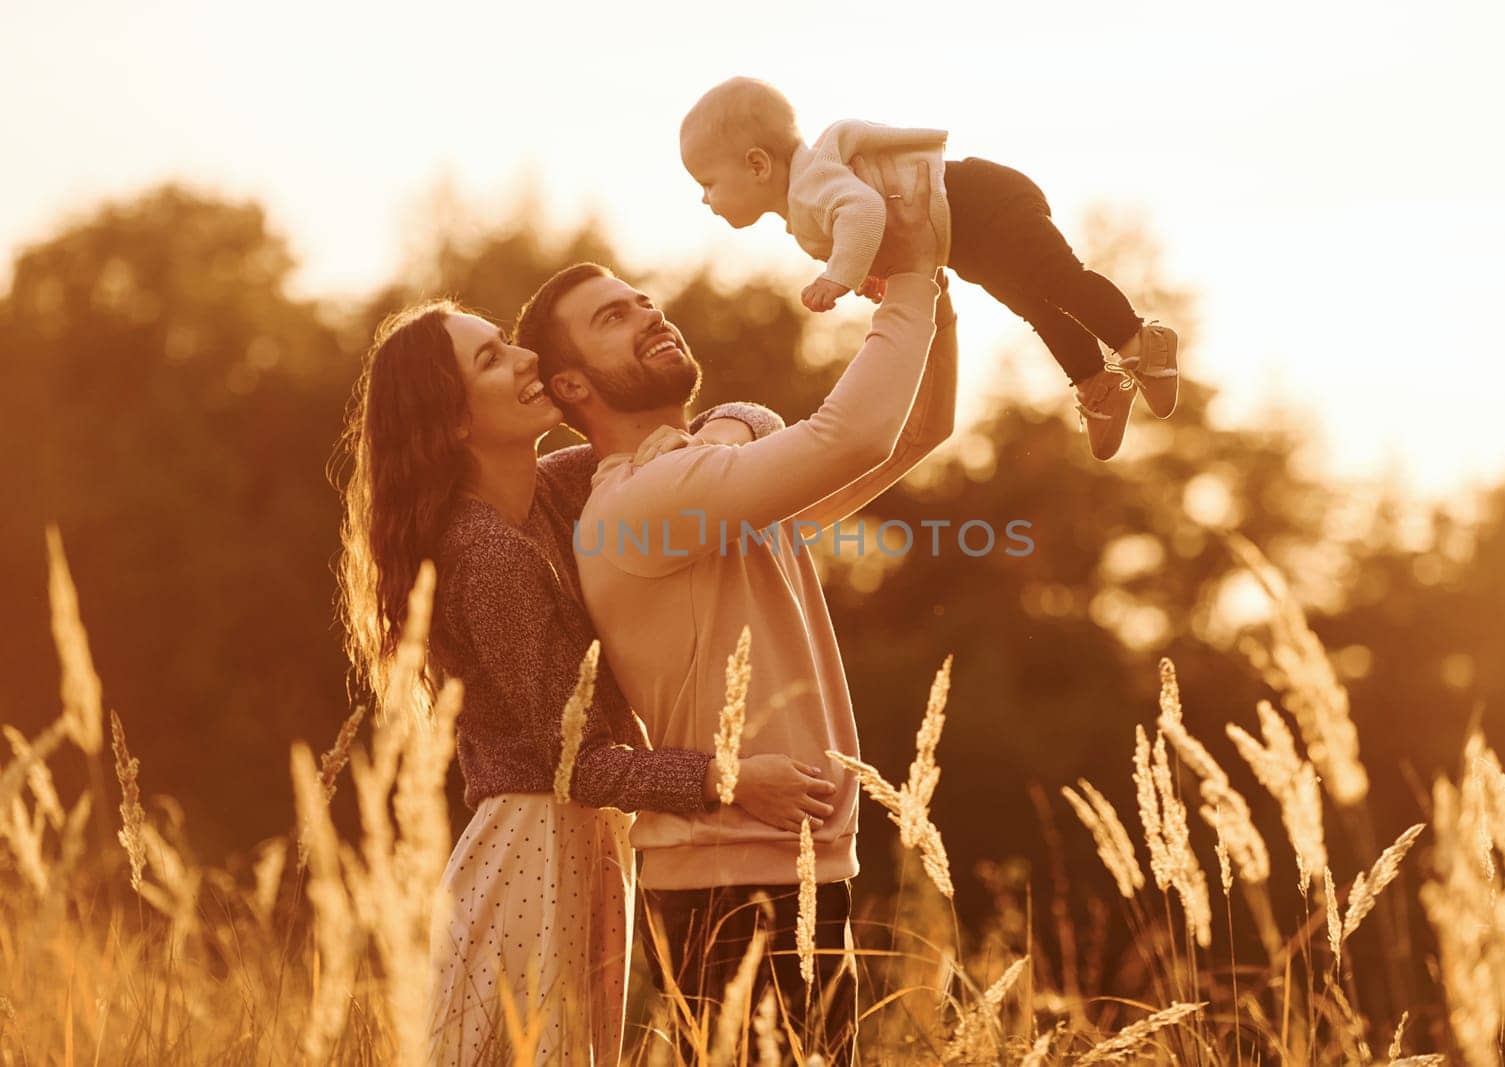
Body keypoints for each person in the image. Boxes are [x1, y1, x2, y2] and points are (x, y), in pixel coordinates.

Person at [513, 157, 955, 1063]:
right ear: (570, 389)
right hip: (730, 880)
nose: (647, 313)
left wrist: (932, 296)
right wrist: (906, 270)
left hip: (785, 865)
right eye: (611, 317)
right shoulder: (644, 503)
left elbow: (916, 432)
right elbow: (855, 431)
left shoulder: (711, 486)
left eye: (641, 300)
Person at [334, 299, 837, 1065]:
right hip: (535, 843)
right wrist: (729, 778)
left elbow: (733, 420)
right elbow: (581, 762)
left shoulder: (561, 489)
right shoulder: (485, 553)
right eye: (491, 360)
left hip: (586, 842)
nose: (525, 359)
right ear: (456, 422)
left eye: (507, 341)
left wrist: (729, 432)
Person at [678, 75, 1179, 462]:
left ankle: (1141, 341)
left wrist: (840, 276)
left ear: (758, 164)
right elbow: (877, 224)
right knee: (1036, 305)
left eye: (708, 182)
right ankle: (1098, 383)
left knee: (1057, 281)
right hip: (965, 237)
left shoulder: (815, 182)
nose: (704, 199)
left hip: (984, 202)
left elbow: (865, 212)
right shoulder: (807, 201)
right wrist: (876, 269)